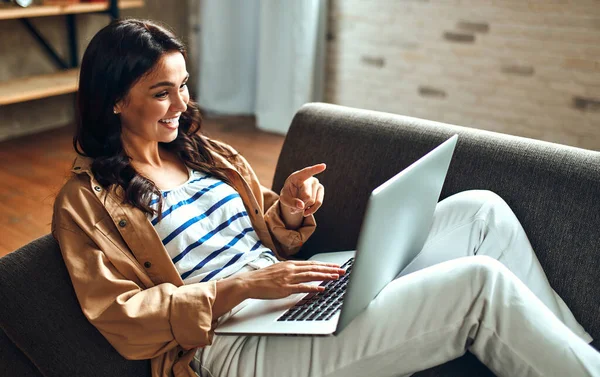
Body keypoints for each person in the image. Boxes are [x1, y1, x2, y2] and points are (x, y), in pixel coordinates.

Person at [51, 19, 599, 377]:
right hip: (231, 343)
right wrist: (236, 288)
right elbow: (118, 316)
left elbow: (256, 231)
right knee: (478, 284)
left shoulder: (202, 152)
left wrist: (285, 211)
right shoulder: (85, 203)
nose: (180, 103)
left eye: (185, 84)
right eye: (160, 92)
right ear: (115, 100)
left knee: (481, 211)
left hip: (289, 294)